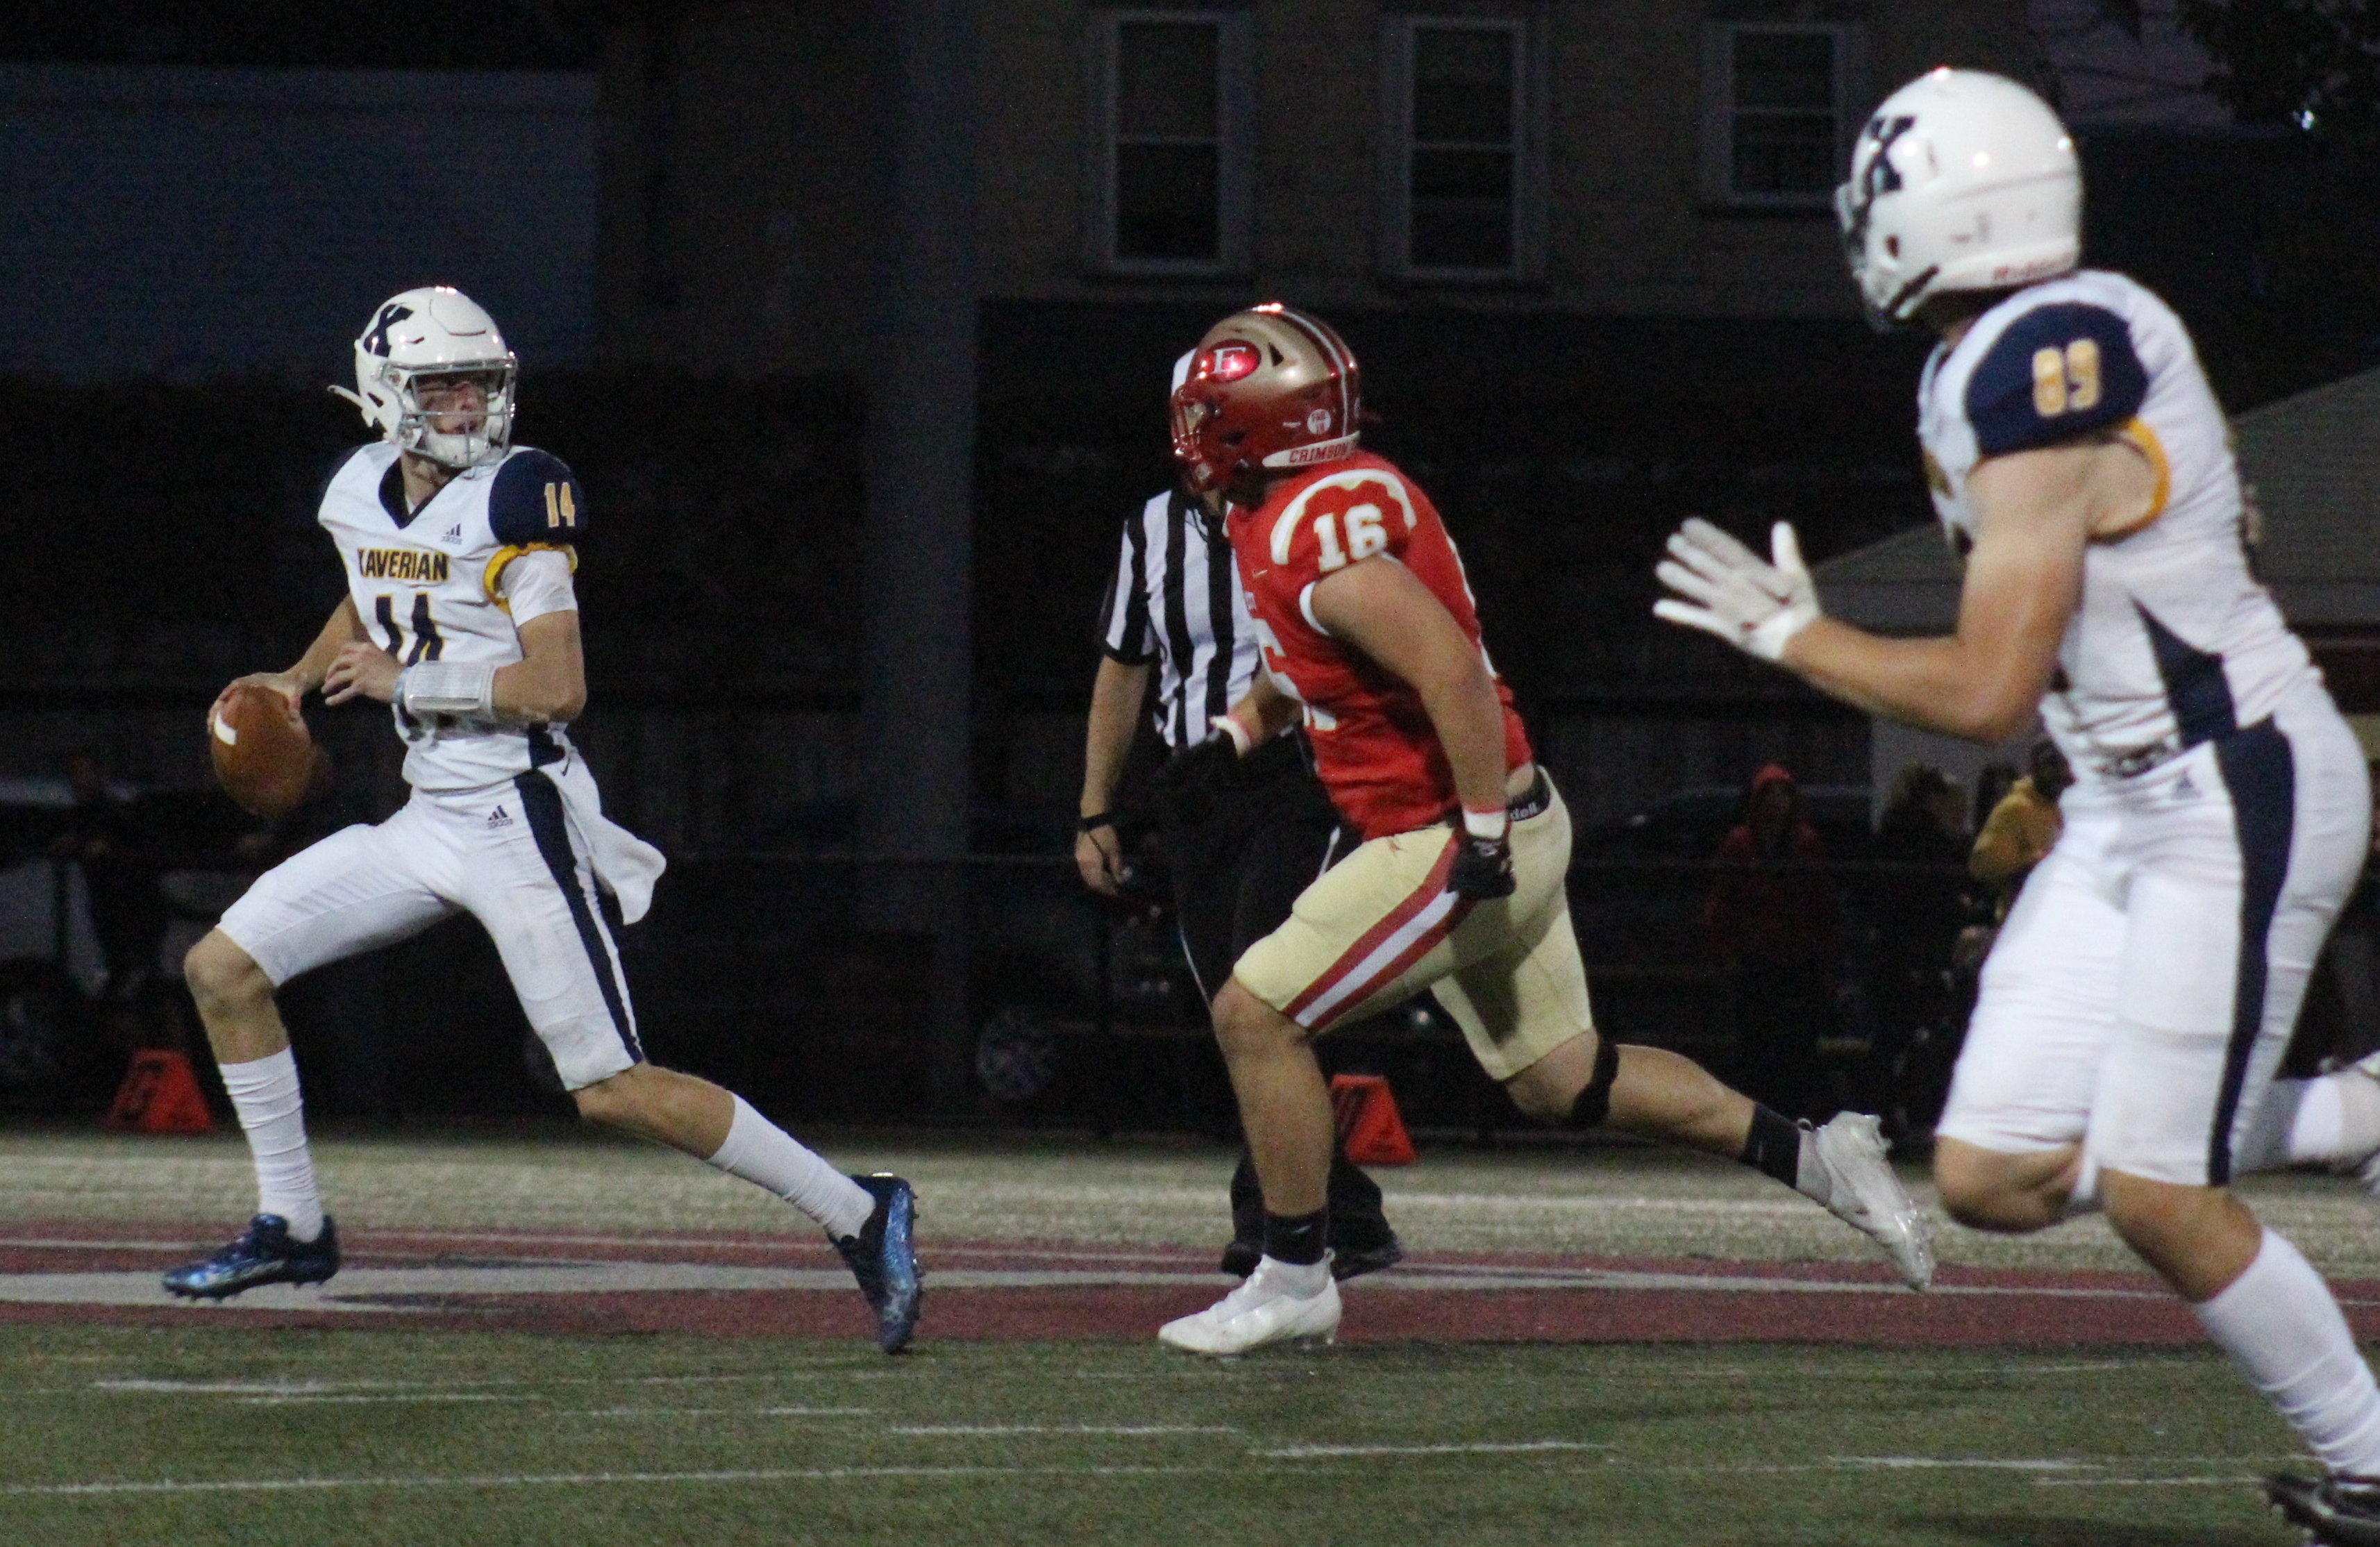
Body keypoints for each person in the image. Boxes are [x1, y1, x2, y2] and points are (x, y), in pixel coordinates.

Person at [1651, 69, 2380, 1539]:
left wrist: (1798, 640)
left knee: (2162, 1194)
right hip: (2124, 807)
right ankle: (2353, 1110)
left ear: (1934, 213)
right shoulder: (2007, 349)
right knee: (1991, 1175)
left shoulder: (2041, 358)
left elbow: (1991, 691)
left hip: (2227, 788)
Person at [1153, 303, 1931, 1357]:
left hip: (1452, 829)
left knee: (1256, 1013)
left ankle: (1295, 1274)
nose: (1191, 438)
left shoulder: (1313, 532)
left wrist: (1476, 838)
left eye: (1208, 416)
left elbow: (1449, 673)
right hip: (1501, 813)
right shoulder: (1290, 510)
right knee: (1570, 1080)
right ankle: (1819, 1156)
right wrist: (1237, 735)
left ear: (1254, 425)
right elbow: (1317, 665)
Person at [164, 288, 921, 1353]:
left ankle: (861, 1209)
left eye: (481, 382)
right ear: (388, 397)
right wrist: (294, 678)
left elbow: (557, 686)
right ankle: (293, 1223)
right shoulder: (355, 489)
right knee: (223, 969)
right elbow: (375, 583)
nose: (468, 404)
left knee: (612, 1089)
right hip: (430, 816)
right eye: (442, 385)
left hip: (518, 812)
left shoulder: (519, 494)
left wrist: (406, 681)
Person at [1077, 358, 1402, 1281]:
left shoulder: (1311, 518)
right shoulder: (1150, 531)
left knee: (1260, 988)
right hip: (1196, 790)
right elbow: (1123, 665)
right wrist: (1097, 808)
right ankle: (1346, 1208)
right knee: (1233, 1006)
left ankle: (1272, 1218)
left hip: (1302, 778)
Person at [1702, 763, 1841, 1119]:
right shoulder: (1741, 845)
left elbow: (1821, 905)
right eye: (1770, 796)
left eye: (1783, 796)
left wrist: (1823, 958)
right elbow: (1724, 903)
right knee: (1756, 1042)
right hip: (1756, 962)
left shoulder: (1805, 845)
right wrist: (1726, 953)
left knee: (1796, 1044)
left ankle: (1792, 1114)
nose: (1777, 804)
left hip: (1797, 963)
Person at [1968, 739, 2072, 913]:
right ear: (2034, 767)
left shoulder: (2069, 809)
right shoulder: (2014, 809)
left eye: (2065, 764)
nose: (2060, 772)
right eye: (2052, 765)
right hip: (2024, 915)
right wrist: (2035, 860)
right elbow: (1984, 866)